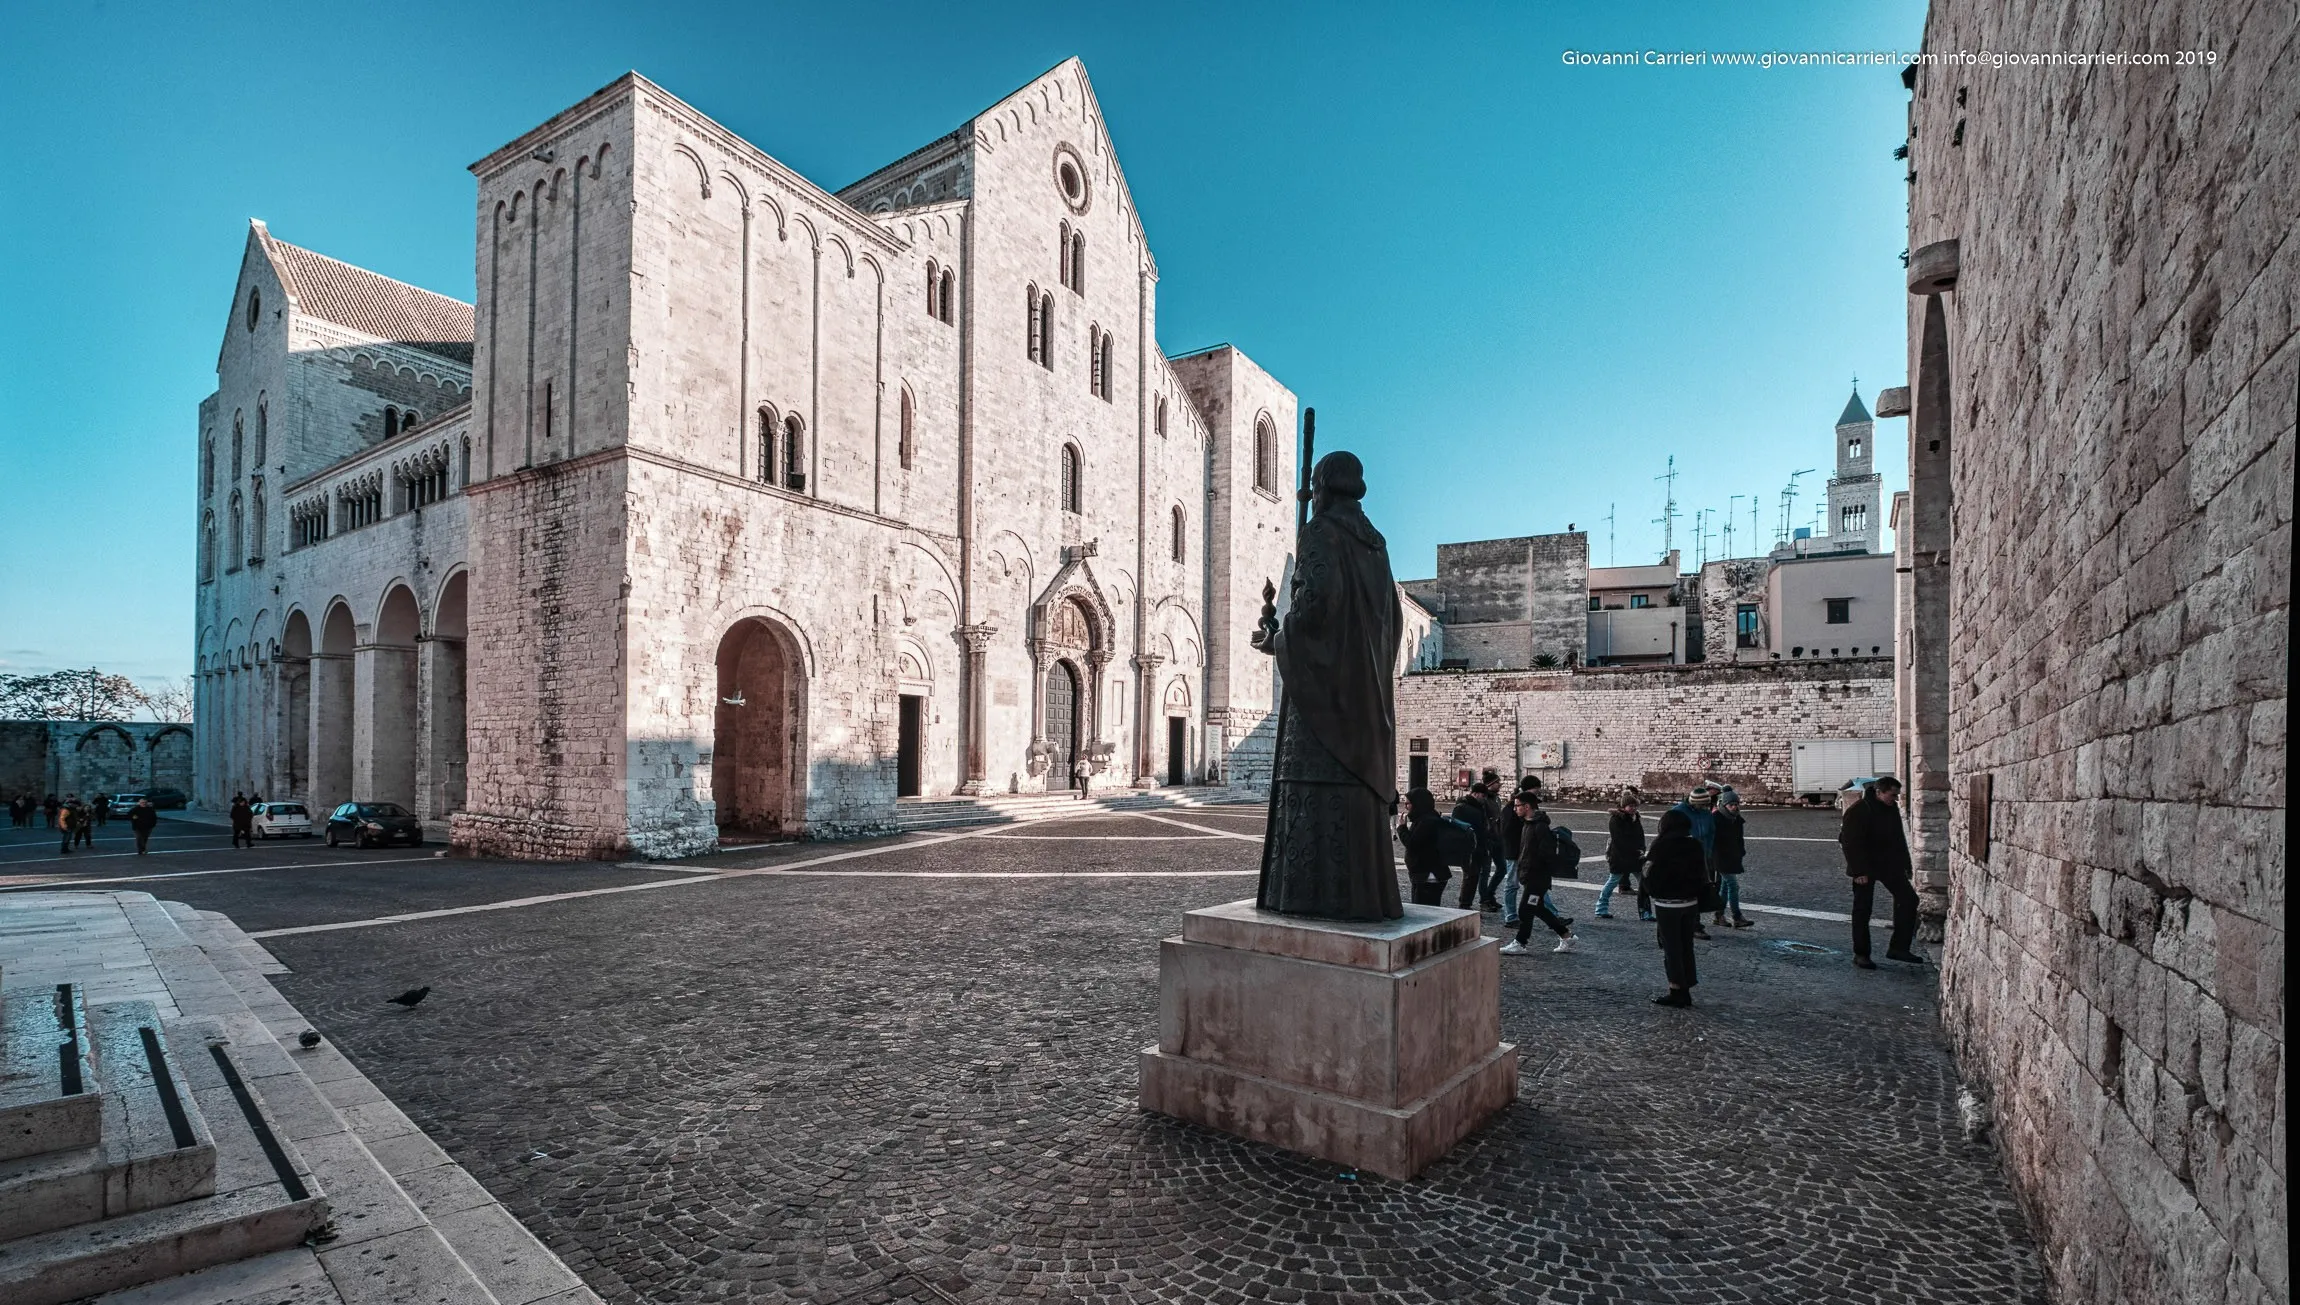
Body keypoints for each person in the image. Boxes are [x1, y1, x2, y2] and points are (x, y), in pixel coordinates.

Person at [1250, 450, 1405, 921]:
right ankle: (1365, 900)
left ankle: (1308, 899)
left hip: (1322, 703)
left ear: (1322, 486)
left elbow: (1314, 609)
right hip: (1364, 697)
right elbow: (1393, 620)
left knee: (1312, 791)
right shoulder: (1375, 545)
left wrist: (1279, 639)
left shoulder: (1320, 532)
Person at [1841, 776, 1924, 967]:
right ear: (1879, 792)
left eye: (1896, 796)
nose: (1894, 799)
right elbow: (1849, 842)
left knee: (1909, 900)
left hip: (1889, 865)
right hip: (1865, 868)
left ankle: (1899, 948)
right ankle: (1861, 953)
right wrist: (1858, 871)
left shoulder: (1891, 809)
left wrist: (1906, 865)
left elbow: (1898, 838)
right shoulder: (1859, 810)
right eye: (1892, 795)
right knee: (1862, 909)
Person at [1644, 809, 1710, 1006]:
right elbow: (1703, 873)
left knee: (1671, 947)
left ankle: (1676, 989)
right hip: (1690, 903)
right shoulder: (1695, 845)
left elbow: (1650, 876)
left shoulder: (1661, 846)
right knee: (1686, 945)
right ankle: (1687, 986)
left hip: (1668, 904)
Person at [1499, 791, 1576, 955]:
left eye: (1517, 806)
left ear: (1527, 807)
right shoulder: (1528, 824)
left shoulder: (1540, 827)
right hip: (1530, 876)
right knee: (1538, 908)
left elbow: (1546, 854)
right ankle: (1566, 935)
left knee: (1525, 910)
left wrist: (1533, 872)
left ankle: (1520, 942)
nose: (1514, 809)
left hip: (1536, 879)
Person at [1669, 784, 1722, 938]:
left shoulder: (1706, 813)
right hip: (1685, 857)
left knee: (1699, 890)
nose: (1705, 807)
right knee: (1688, 892)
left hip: (1703, 856)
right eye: (1703, 805)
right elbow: (1669, 831)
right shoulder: (1678, 812)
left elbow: (1711, 832)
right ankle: (1692, 925)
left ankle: (1693, 923)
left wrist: (1709, 851)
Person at [1595, 791, 1651, 921]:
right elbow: (1619, 840)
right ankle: (1600, 908)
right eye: (1631, 806)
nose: (1633, 808)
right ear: (1624, 806)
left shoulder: (1636, 818)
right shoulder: (1616, 819)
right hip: (1620, 857)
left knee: (1644, 884)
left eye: (1635, 806)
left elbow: (1640, 836)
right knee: (1612, 882)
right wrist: (1635, 851)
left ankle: (1646, 912)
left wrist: (1642, 849)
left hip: (1635, 857)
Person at [1395, 787, 1452, 907]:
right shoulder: (1425, 818)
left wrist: (1401, 828)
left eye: (1408, 803)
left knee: (1424, 911)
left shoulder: (1427, 821)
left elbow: (1412, 844)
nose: (1406, 807)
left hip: (1428, 875)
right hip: (1425, 873)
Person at [1711, 787, 1754, 928]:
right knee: (1733, 885)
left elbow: (1739, 838)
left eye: (1736, 804)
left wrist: (1741, 851)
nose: (1734, 807)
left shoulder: (1736, 819)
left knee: (1724, 887)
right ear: (1724, 805)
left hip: (1732, 856)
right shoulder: (1716, 819)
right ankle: (1737, 916)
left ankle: (1719, 915)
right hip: (1720, 857)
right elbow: (1714, 840)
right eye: (1731, 805)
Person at [1449, 784, 1491, 909]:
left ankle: (1466, 903)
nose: (1484, 798)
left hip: (1478, 846)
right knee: (1470, 876)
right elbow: (1456, 828)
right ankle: (1464, 904)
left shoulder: (1478, 806)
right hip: (1469, 847)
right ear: (1476, 793)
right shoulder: (1462, 807)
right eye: (1483, 796)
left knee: (1474, 876)